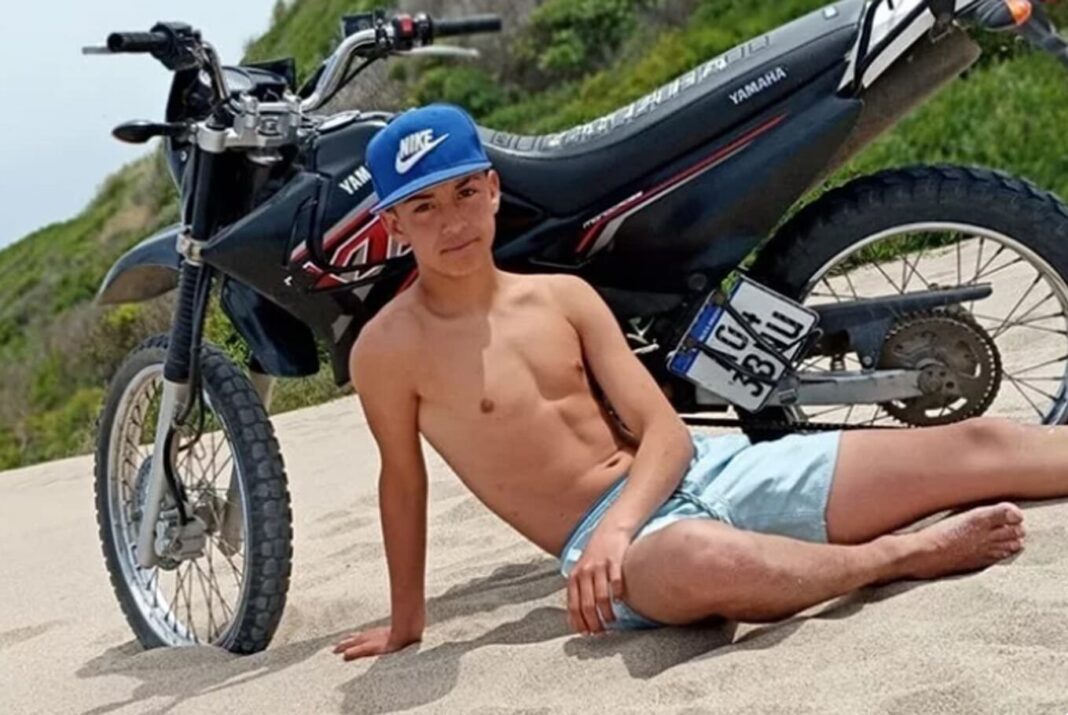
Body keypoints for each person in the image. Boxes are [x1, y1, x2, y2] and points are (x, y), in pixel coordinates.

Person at [332, 103, 1054, 662]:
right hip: (617, 542)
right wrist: (406, 623)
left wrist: (623, 519)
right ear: (393, 224)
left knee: (976, 444)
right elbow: (403, 481)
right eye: (424, 207)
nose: (452, 221)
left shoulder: (563, 299)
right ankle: (904, 555)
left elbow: (666, 434)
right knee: (699, 559)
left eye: (464, 192)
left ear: (492, 190)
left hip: (700, 472)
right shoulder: (387, 352)